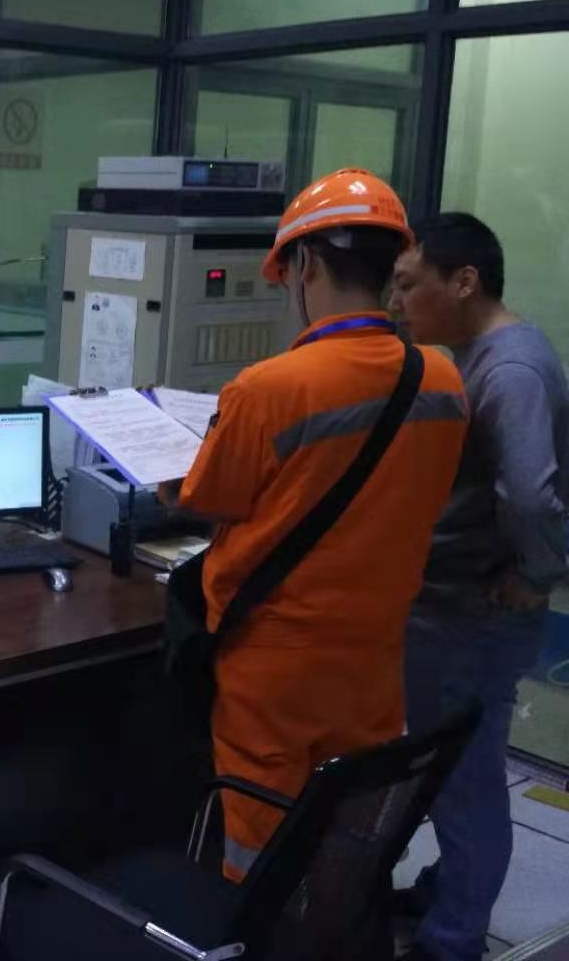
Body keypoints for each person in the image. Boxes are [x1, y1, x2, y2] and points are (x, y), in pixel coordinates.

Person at [167, 168, 469, 883]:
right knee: (346, 832)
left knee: (264, 846)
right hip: (374, 659)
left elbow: (206, 499)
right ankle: (335, 926)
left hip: (276, 666)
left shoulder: (268, 388)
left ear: (304, 264)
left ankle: (255, 928)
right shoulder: (442, 379)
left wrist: (167, 475)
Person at [388, 213, 568, 961]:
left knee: (467, 776)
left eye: (409, 285)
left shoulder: (509, 370)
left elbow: (530, 495)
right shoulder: (474, 356)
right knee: (451, 767)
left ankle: (453, 939)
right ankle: (448, 891)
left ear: (464, 282)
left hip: (472, 612)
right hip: (453, 604)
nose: (397, 303)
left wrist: (536, 574)